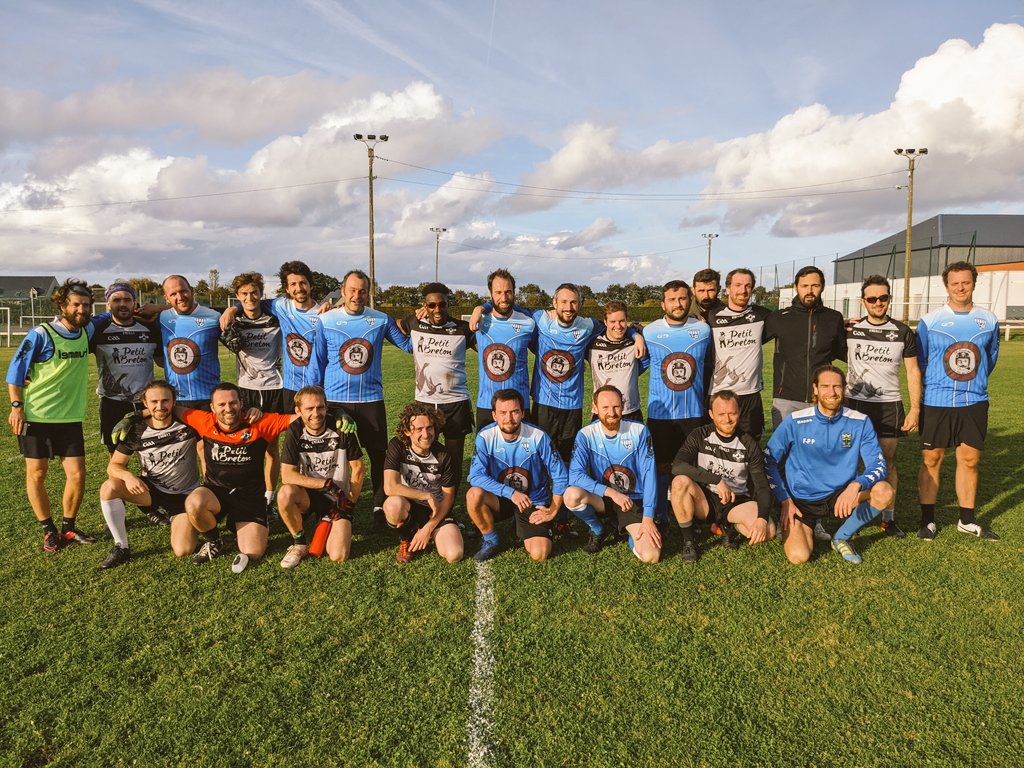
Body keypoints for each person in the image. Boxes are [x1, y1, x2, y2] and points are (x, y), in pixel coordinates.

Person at [765, 365, 892, 565]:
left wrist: (855, 485)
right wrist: (785, 500)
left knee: (884, 491)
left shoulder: (860, 422)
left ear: (844, 389)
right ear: (815, 389)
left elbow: (878, 465)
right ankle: (806, 525)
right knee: (799, 556)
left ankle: (842, 537)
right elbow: (768, 460)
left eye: (837, 386)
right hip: (802, 501)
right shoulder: (795, 421)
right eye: (825, 386)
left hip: (841, 496)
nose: (831, 392)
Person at [315, 269, 412, 529]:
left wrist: (417, 322)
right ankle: (334, 505)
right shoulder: (326, 320)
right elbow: (318, 362)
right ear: (343, 291)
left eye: (362, 291)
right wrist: (315, 399)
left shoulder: (381, 319)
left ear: (368, 292)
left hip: (371, 400)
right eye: (352, 290)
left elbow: (408, 345)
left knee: (378, 454)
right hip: (336, 402)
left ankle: (379, 504)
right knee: (337, 457)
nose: (357, 295)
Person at [6, 279, 97, 553]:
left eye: (86, 305)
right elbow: (16, 371)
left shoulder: (87, 329)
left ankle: (68, 527)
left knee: (77, 474)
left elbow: (119, 313)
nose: (82, 309)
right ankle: (48, 530)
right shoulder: (42, 333)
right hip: (37, 417)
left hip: (70, 418)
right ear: (62, 305)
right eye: (76, 304)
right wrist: (16, 406)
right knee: (37, 473)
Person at [167, 383, 296, 571]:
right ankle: (214, 540)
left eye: (233, 403)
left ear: (241, 403)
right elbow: (166, 407)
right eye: (222, 405)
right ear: (212, 407)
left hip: (249, 496)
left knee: (253, 552)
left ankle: (244, 521)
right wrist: (137, 415)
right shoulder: (204, 420)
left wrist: (337, 413)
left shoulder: (260, 422)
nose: (228, 409)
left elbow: (305, 416)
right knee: (193, 504)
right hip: (215, 493)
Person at [916, 261, 1000, 541]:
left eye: (966, 282)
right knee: (932, 458)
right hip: (936, 401)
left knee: (970, 459)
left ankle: (966, 520)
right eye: (955, 283)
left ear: (974, 283)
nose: (961, 287)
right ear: (947, 286)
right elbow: (922, 360)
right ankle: (928, 521)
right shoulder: (931, 321)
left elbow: (990, 359)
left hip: (974, 401)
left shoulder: (988, 320)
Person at [765, 265, 846, 542]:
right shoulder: (779, 318)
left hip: (820, 401)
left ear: (822, 287)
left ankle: (813, 519)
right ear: (796, 288)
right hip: (786, 397)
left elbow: (842, 352)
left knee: (815, 459)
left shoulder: (833, 318)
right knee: (783, 458)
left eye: (815, 285)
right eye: (804, 286)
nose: (809, 291)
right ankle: (781, 515)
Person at [845, 275, 922, 538]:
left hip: (889, 405)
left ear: (889, 298)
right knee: (853, 462)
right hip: (855, 404)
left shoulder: (902, 332)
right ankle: (853, 517)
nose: (878, 303)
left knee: (888, 461)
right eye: (872, 299)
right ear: (863, 301)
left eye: (883, 298)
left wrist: (915, 409)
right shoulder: (850, 330)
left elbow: (912, 372)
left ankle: (888, 518)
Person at [97, 380, 200, 568]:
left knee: (183, 550)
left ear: (174, 401)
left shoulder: (188, 425)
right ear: (145, 403)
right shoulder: (136, 430)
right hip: (151, 491)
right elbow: (114, 466)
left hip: (185, 496)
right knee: (109, 487)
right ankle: (121, 546)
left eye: (165, 401)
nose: (160, 406)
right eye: (154, 402)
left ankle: (176, 518)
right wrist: (128, 477)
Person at [670, 390, 775, 563]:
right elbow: (678, 466)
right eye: (721, 414)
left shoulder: (749, 443)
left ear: (739, 412)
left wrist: (762, 519)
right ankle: (689, 541)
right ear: (711, 414)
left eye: (732, 413)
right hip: (704, 500)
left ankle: (729, 525)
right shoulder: (699, 435)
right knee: (680, 482)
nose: (727, 419)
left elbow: (763, 487)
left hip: (736, 501)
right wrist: (716, 480)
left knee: (768, 531)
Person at [466, 389, 568, 562]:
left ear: (522, 413)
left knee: (540, 553)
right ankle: (491, 540)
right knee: (473, 494)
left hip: (532, 501)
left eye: (514, 412)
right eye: (503, 413)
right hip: (500, 498)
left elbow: (560, 476)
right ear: (494, 415)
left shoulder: (538, 436)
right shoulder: (485, 437)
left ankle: (520, 522)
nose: (509, 418)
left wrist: (553, 510)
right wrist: (511, 493)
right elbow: (475, 476)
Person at [563, 386, 661, 562]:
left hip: (632, 501)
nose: (612, 413)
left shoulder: (638, 431)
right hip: (604, 499)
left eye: (616, 406)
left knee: (651, 556)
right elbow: (575, 475)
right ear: (594, 408)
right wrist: (611, 493)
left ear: (623, 405)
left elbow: (649, 475)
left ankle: (628, 529)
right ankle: (598, 528)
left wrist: (648, 517)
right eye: (605, 407)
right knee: (571, 495)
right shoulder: (585, 435)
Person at [641, 279, 712, 523]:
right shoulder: (649, 332)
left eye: (682, 298)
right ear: (663, 304)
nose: (678, 304)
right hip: (660, 414)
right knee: (661, 465)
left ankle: (695, 509)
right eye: (672, 299)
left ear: (689, 300)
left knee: (692, 465)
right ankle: (661, 512)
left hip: (692, 413)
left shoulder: (703, 330)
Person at [219, 260, 327, 413]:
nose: (299, 288)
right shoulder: (281, 306)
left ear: (311, 285)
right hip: (290, 387)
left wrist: (334, 308)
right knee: (291, 431)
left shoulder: (324, 315)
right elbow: (251, 303)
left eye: (303, 283)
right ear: (287, 289)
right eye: (293, 284)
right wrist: (231, 309)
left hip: (316, 387)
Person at [277, 385, 365, 568]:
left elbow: (358, 468)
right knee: (285, 493)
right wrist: (326, 484)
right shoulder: (295, 430)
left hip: (339, 499)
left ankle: (329, 518)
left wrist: (349, 503)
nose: (315, 413)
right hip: (309, 496)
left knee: (338, 555)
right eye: (309, 408)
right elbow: (287, 475)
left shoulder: (342, 428)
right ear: (298, 411)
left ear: (327, 407)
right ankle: (299, 543)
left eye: (320, 407)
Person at [400, 283, 476, 490]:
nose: (437, 309)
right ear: (425, 305)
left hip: (455, 402)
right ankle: (426, 497)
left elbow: (486, 348)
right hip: (425, 403)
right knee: (423, 453)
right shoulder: (414, 323)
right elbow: (394, 325)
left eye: (441, 304)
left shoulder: (462, 328)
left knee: (453, 456)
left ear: (447, 304)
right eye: (431, 305)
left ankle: (449, 503)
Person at [221, 272, 285, 514]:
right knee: (247, 446)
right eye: (244, 294)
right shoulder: (232, 321)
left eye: (254, 292)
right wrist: (231, 312)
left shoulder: (275, 317)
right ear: (237, 296)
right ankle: (251, 495)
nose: (250, 297)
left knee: (271, 447)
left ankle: (269, 498)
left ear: (261, 293)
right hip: (246, 388)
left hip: (274, 387)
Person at [383, 402, 464, 564]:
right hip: (409, 506)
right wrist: (426, 495)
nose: (426, 434)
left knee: (454, 554)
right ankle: (406, 538)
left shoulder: (444, 455)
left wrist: (428, 528)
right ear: (407, 431)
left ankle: (426, 532)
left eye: (429, 427)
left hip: (436, 511)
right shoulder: (397, 445)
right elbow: (390, 486)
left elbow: (448, 498)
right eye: (418, 429)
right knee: (393, 505)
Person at [89, 281, 162, 453]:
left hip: (145, 402)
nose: (122, 304)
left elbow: (162, 362)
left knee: (151, 455)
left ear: (134, 302)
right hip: (112, 403)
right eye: (116, 300)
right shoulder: (98, 331)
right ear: (108, 304)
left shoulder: (150, 329)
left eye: (127, 299)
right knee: (115, 456)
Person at [705, 269, 772, 442]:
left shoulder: (761, 315)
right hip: (721, 394)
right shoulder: (711, 317)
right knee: (719, 446)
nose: (743, 290)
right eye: (738, 285)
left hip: (750, 395)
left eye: (748, 286)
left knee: (751, 446)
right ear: (727, 289)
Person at [473, 269, 537, 430]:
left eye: (508, 292)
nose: (504, 298)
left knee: (521, 453)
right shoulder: (479, 321)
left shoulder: (528, 322)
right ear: (490, 293)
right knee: (486, 453)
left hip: (518, 406)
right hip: (487, 404)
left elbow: (545, 348)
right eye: (498, 292)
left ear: (514, 292)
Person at [585, 300, 649, 422]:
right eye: (613, 322)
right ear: (605, 322)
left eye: (622, 321)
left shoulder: (634, 343)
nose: (618, 326)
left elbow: (644, 363)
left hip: (631, 411)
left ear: (627, 320)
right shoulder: (592, 344)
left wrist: (637, 336)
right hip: (602, 412)